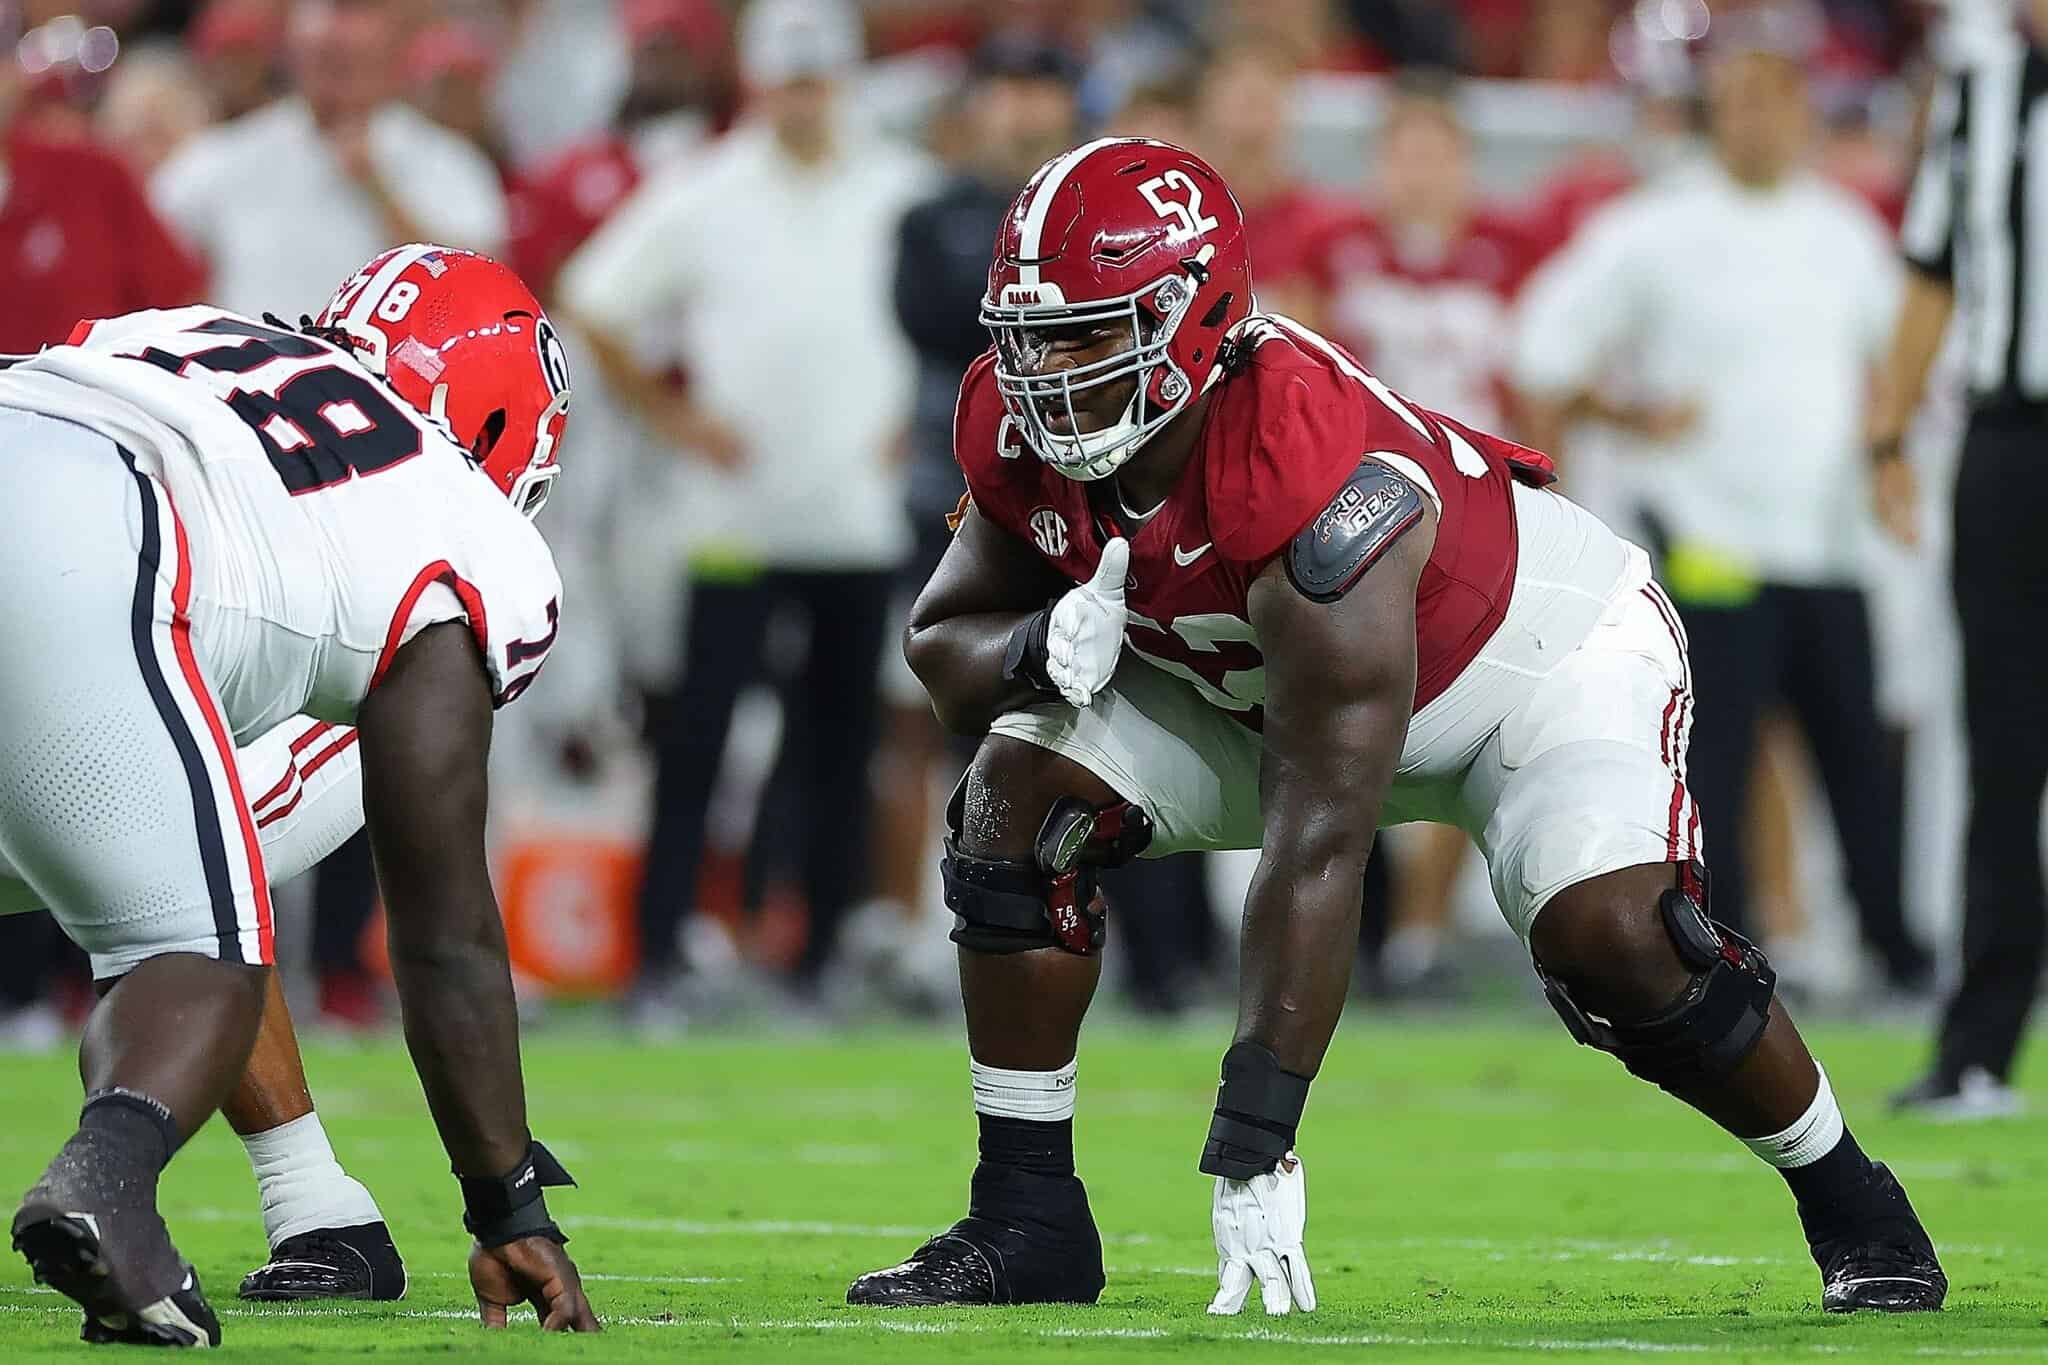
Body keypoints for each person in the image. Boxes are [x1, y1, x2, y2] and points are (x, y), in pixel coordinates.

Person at [845, 137, 1945, 1317]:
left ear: (1194, 317)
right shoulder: (1017, 430)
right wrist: (1030, 648)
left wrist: (1254, 1133)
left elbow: (1320, 834)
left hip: (1522, 668)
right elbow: (943, 649)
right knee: (1008, 809)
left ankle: (1849, 1198)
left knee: (1618, 939)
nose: (1043, 371)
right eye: (1028, 335)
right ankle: (1025, 1220)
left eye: (1086, 331)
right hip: (1256, 692)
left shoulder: (1307, 467)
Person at [0, 242, 597, 1343]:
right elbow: (441, 924)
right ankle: (108, 1186)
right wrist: (504, 1196)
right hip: (87, 549)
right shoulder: (460, 524)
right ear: (502, 428)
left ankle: (312, 1208)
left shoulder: (194, 334)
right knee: (197, 950)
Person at [1512, 32, 1934, 993]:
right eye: (1743, 101)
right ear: (1716, 113)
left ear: (1804, 113)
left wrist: (1888, 457)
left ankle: (1894, 946)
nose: (1763, 120)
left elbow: (1898, 360)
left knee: (1859, 757)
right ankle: (1725, 951)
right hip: (1710, 542)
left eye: (1780, 100)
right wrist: (1620, 417)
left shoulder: (1844, 232)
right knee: (1720, 760)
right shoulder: (1653, 227)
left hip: (1828, 541)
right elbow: (1543, 346)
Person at [560, 0, 933, 1024]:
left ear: (843, 81)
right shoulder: (706, 190)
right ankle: (657, 957)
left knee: (838, 743)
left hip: (854, 516)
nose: (803, 100)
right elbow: (590, 296)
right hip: (730, 517)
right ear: (760, 83)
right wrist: (672, 415)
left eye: (818, 80)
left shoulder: (901, 188)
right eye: (788, 79)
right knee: (696, 740)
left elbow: (967, 309)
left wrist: (924, 415)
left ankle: (815, 958)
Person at [1879, 0, 2048, 1118]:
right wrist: (1883, 433)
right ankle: (1977, 1047)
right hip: (2008, 445)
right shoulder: (1979, 94)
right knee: (2001, 757)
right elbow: (1931, 274)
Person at [152, 0, 507, 320]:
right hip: (248, 379)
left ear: (397, 46)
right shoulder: (226, 156)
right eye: (326, 55)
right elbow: (151, 257)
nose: (338, 54)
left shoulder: (445, 162)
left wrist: (378, 192)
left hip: (383, 385)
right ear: (290, 45)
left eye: (351, 56)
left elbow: (482, 294)